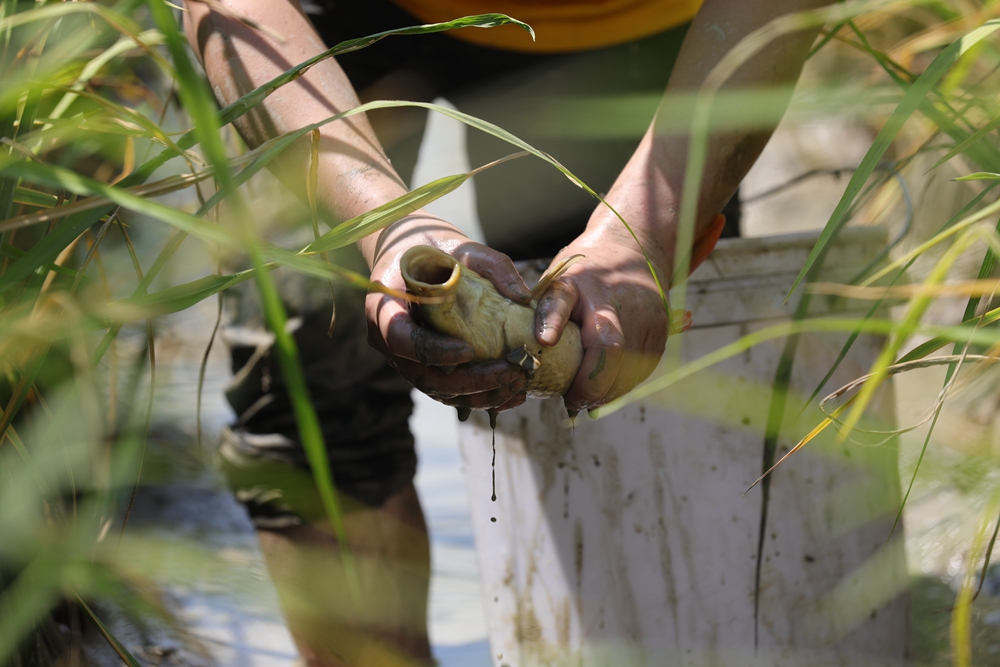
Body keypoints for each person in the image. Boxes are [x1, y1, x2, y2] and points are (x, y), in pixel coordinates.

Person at [183, 1, 831, 665]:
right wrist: (387, 225)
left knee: (632, 377)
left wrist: (646, 229)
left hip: (622, 19)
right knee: (312, 384)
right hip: (321, 20)